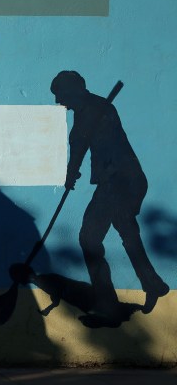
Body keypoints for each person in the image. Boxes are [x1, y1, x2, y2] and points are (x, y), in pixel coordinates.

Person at [50, 71, 169, 319]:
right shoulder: (87, 112)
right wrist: (72, 173)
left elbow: (90, 145)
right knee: (126, 231)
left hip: (120, 183)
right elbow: (79, 147)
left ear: (74, 91)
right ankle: (152, 283)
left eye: (60, 95)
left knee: (89, 238)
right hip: (122, 182)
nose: (58, 102)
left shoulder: (99, 110)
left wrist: (75, 169)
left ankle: (107, 304)